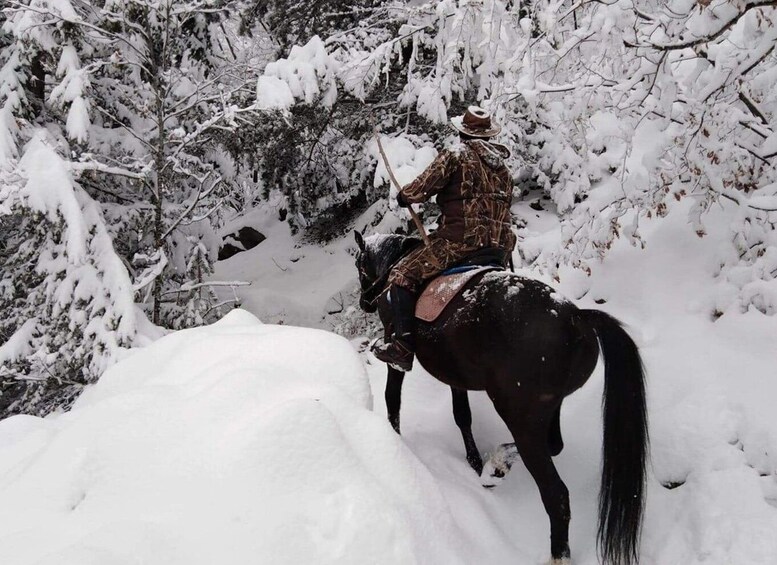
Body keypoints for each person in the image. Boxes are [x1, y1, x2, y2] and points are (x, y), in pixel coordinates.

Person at [372, 106, 517, 371]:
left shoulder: (456, 155)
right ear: (488, 136)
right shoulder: (504, 170)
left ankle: (402, 348)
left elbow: (421, 189)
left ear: (462, 133)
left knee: (402, 274)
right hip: (500, 247)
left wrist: (405, 196)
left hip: (460, 243)